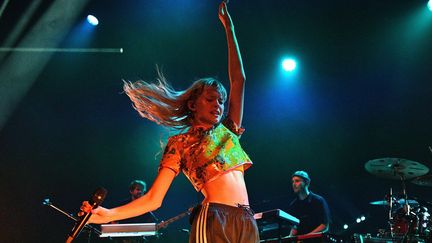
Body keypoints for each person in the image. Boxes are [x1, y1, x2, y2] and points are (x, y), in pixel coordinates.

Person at [80, 2, 259, 242]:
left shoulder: (229, 130)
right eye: (210, 99)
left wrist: (230, 29)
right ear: (194, 104)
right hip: (215, 218)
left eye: (221, 101)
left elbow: (239, 80)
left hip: (246, 220)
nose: (218, 105)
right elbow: (155, 197)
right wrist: (108, 214)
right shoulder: (181, 143)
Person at [286, 171, 330, 237]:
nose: (294, 184)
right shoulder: (293, 205)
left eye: (297, 181)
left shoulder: (318, 200)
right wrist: (289, 236)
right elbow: (295, 227)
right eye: (293, 182)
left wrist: (306, 237)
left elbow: (324, 225)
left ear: (307, 183)